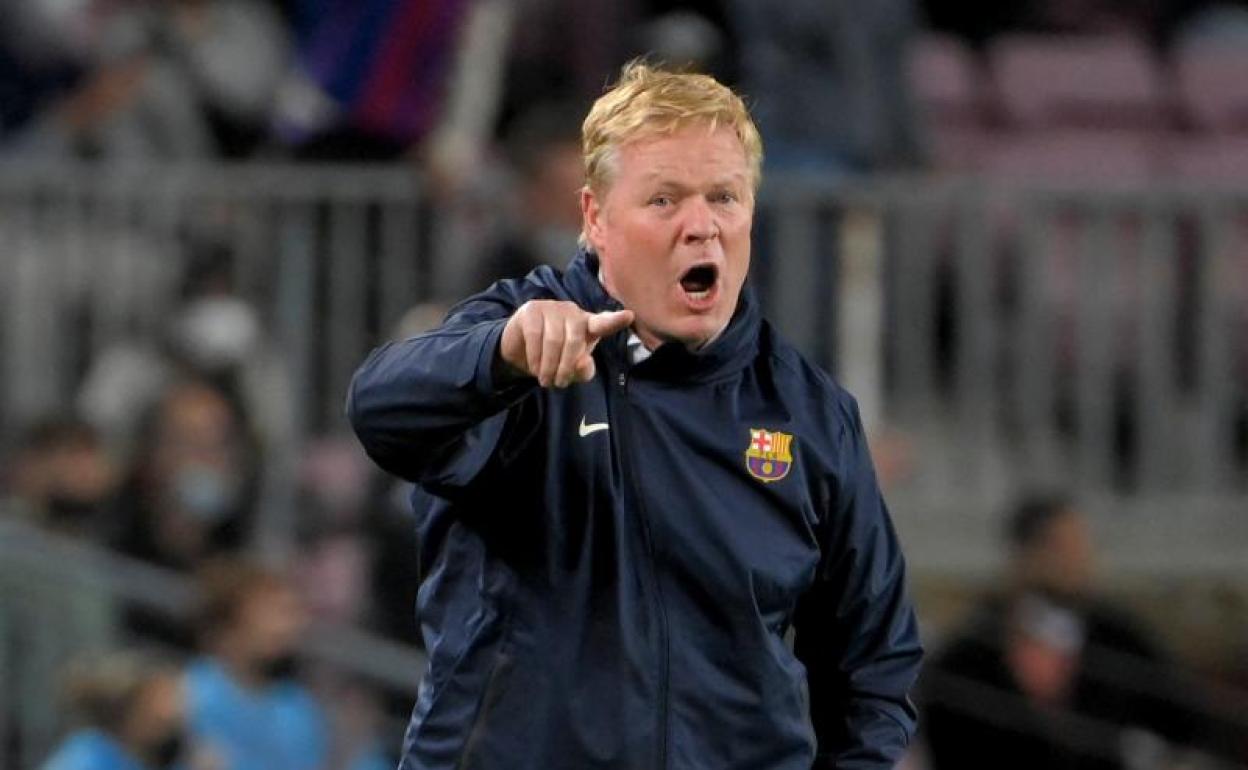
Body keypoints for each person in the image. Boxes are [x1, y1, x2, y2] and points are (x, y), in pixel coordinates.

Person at [348, 61, 923, 769]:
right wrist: (499, 357)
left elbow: (875, 665)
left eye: (725, 197)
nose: (701, 227)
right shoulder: (515, 345)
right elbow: (378, 408)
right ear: (595, 217)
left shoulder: (808, 409)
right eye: (664, 200)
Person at [923, 493, 1206, 770]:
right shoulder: (970, 656)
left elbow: (1188, 721)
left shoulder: (1117, 640)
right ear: (1025, 554)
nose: (1079, 561)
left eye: (1083, 546)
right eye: (1062, 548)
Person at [40, 651, 190, 770]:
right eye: (161, 700)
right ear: (130, 707)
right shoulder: (86, 758)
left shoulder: (136, 754)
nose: (172, 712)